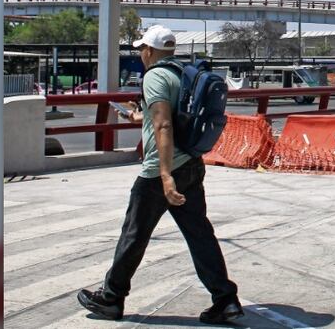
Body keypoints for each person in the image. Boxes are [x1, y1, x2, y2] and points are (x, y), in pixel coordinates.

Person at [77, 24, 242, 324]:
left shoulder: (154, 76)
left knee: (134, 234)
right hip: (192, 164)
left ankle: (111, 298)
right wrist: (135, 115)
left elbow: (164, 125)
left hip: (160, 171)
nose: (140, 53)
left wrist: (165, 176)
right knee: (200, 235)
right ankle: (226, 300)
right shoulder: (181, 74)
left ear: (150, 51)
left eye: (142, 48)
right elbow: (165, 116)